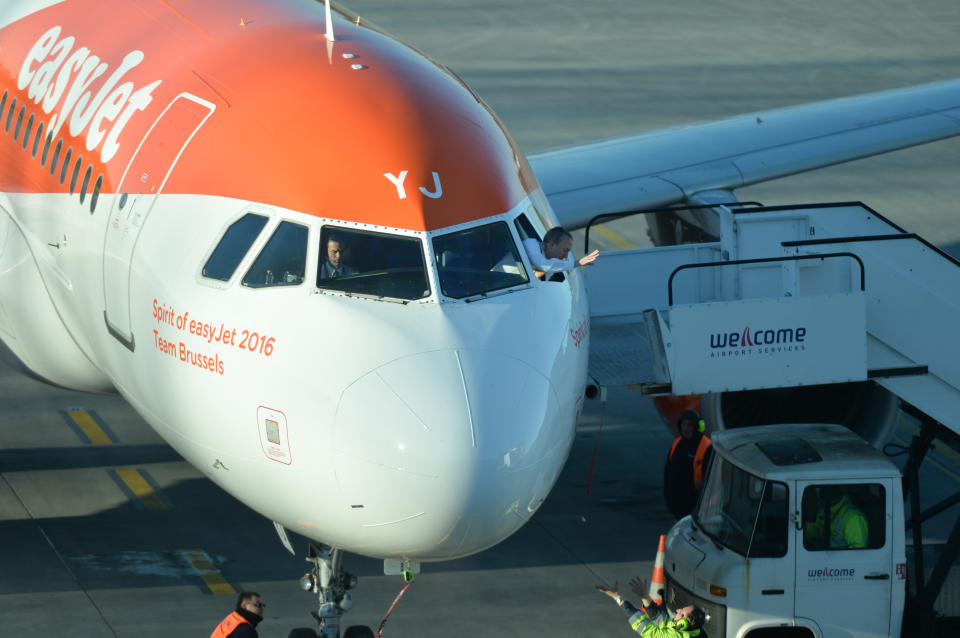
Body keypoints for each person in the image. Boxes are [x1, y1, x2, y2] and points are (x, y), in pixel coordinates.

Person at [596, 578, 707, 637]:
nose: (677, 610)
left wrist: (617, 597)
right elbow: (662, 620)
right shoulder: (696, 632)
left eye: (681, 614)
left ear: (683, 624)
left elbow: (645, 627)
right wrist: (645, 597)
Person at [663, 410, 712, 520]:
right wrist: (668, 498)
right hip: (678, 506)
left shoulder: (706, 447)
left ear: (697, 427)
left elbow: (710, 480)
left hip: (696, 507)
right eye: (684, 424)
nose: (686, 428)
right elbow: (668, 472)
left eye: (689, 425)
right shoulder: (677, 444)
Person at [522, 226, 599, 280]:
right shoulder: (531, 243)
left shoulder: (551, 265)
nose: (565, 256)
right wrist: (578, 262)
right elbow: (543, 264)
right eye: (565, 250)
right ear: (551, 245)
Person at [804, 487, 869, 549]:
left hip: (840, 559)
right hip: (825, 555)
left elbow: (858, 550)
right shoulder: (823, 512)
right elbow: (813, 531)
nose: (819, 501)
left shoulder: (853, 517)